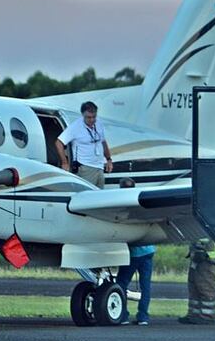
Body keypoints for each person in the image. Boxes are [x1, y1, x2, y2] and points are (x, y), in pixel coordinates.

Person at [114, 178, 154, 326]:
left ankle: (123, 315)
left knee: (121, 283)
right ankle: (143, 317)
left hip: (132, 253)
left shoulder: (123, 206)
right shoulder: (143, 204)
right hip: (148, 250)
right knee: (145, 286)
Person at [54, 101, 113, 189]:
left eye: (94, 117)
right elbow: (59, 142)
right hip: (85, 167)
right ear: (82, 115)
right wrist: (64, 162)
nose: (92, 120)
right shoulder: (75, 127)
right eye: (88, 117)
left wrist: (109, 160)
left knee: (100, 197)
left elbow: (103, 142)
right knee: (88, 196)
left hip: (99, 166)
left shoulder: (99, 124)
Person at [178, 238, 215, 324]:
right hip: (198, 257)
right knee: (194, 286)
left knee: (205, 287)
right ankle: (194, 315)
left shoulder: (205, 229)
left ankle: (207, 316)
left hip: (206, 259)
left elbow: (204, 238)